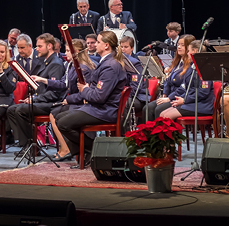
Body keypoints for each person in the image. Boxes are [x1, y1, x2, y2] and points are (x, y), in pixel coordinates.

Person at [55, 30, 128, 164]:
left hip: (105, 110)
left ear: (106, 45)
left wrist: (85, 90)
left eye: (98, 42)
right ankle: (86, 153)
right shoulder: (107, 62)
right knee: (60, 117)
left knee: (63, 122)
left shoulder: (110, 66)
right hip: (99, 107)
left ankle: (92, 149)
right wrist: (88, 90)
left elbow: (99, 96)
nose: (94, 45)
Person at [33, 39, 95, 161]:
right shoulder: (71, 65)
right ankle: (66, 147)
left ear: (76, 52)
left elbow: (84, 93)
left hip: (81, 103)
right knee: (55, 112)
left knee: (55, 113)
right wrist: (43, 80)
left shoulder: (83, 69)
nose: (64, 53)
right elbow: (63, 84)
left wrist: (69, 99)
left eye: (67, 51)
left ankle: (70, 148)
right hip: (73, 101)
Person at [7, 33, 66, 155]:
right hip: (43, 100)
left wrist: (36, 99)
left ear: (49, 46)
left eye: (39, 46)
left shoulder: (55, 63)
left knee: (21, 110)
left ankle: (33, 147)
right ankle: (27, 144)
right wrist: (33, 97)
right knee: (12, 110)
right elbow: (41, 89)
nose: (37, 49)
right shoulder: (46, 62)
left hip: (52, 104)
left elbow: (55, 93)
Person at [143, 35, 196, 122]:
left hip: (179, 97)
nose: (179, 47)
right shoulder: (177, 62)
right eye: (178, 44)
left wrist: (169, 98)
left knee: (158, 109)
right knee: (147, 108)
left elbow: (183, 87)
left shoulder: (191, 65)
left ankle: (161, 134)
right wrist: (165, 93)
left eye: (182, 45)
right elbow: (168, 80)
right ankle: (149, 134)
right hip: (170, 96)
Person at [159, 40, 215, 120]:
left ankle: (174, 133)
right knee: (162, 114)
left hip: (201, 105)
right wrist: (180, 99)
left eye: (189, 51)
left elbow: (203, 92)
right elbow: (185, 87)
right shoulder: (191, 67)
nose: (187, 54)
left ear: (195, 51)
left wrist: (185, 100)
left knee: (167, 117)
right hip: (191, 101)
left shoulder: (205, 69)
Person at [120, 36, 149, 118]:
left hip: (138, 97)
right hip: (126, 94)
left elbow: (136, 86)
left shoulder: (135, 62)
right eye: (121, 47)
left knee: (124, 103)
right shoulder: (119, 61)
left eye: (126, 47)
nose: (123, 49)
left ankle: (124, 130)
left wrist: (122, 96)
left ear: (132, 48)